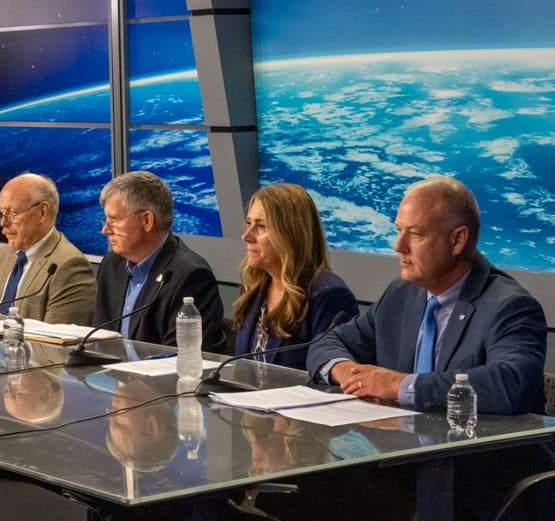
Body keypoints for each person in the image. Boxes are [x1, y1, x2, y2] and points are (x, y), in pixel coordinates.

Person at [307, 176, 546, 414]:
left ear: (457, 240)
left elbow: (511, 383)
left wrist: (398, 385)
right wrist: (349, 372)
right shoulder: (401, 294)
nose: (398, 246)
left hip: (478, 449)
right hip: (402, 444)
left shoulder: (510, 306)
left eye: (415, 233)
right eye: (399, 231)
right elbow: (328, 342)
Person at [94, 171, 224, 351]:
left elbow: (179, 357)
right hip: (115, 377)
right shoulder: (111, 264)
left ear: (147, 220)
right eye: (105, 220)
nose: (105, 230)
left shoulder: (191, 275)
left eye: (114, 220)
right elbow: (102, 341)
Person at [232, 183, 357, 369]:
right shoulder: (253, 288)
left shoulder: (329, 296)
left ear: (291, 234)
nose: (246, 235)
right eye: (249, 223)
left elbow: (330, 376)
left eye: (261, 226)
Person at [0, 173, 95, 324]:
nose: (3, 223)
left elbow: (56, 342)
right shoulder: (2, 255)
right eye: (2, 214)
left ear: (43, 212)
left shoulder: (70, 266)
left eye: (12, 213)